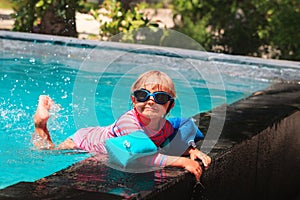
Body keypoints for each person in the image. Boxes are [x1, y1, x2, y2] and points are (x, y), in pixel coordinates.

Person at [32, 70, 211, 181]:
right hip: (82, 141)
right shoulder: (129, 122)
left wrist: (190, 150)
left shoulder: (165, 126)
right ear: (133, 101)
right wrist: (181, 162)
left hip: (102, 144)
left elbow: (170, 141)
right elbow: (139, 157)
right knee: (47, 153)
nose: (150, 101)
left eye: (160, 97)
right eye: (143, 95)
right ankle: (40, 124)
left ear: (169, 106)